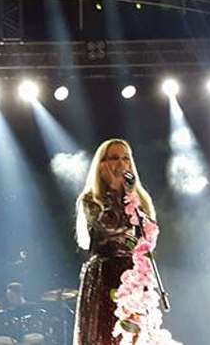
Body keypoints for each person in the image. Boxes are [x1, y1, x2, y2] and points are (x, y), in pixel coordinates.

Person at [72, 139, 158, 345]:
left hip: (133, 274)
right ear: (101, 165)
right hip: (104, 275)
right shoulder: (91, 200)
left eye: (125, 158)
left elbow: (144, 238)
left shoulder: (140, 199)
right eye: (114, 158)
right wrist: (113, 188)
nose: (121, 163)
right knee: (106, 334)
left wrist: (130, 195)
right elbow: (109, 230)